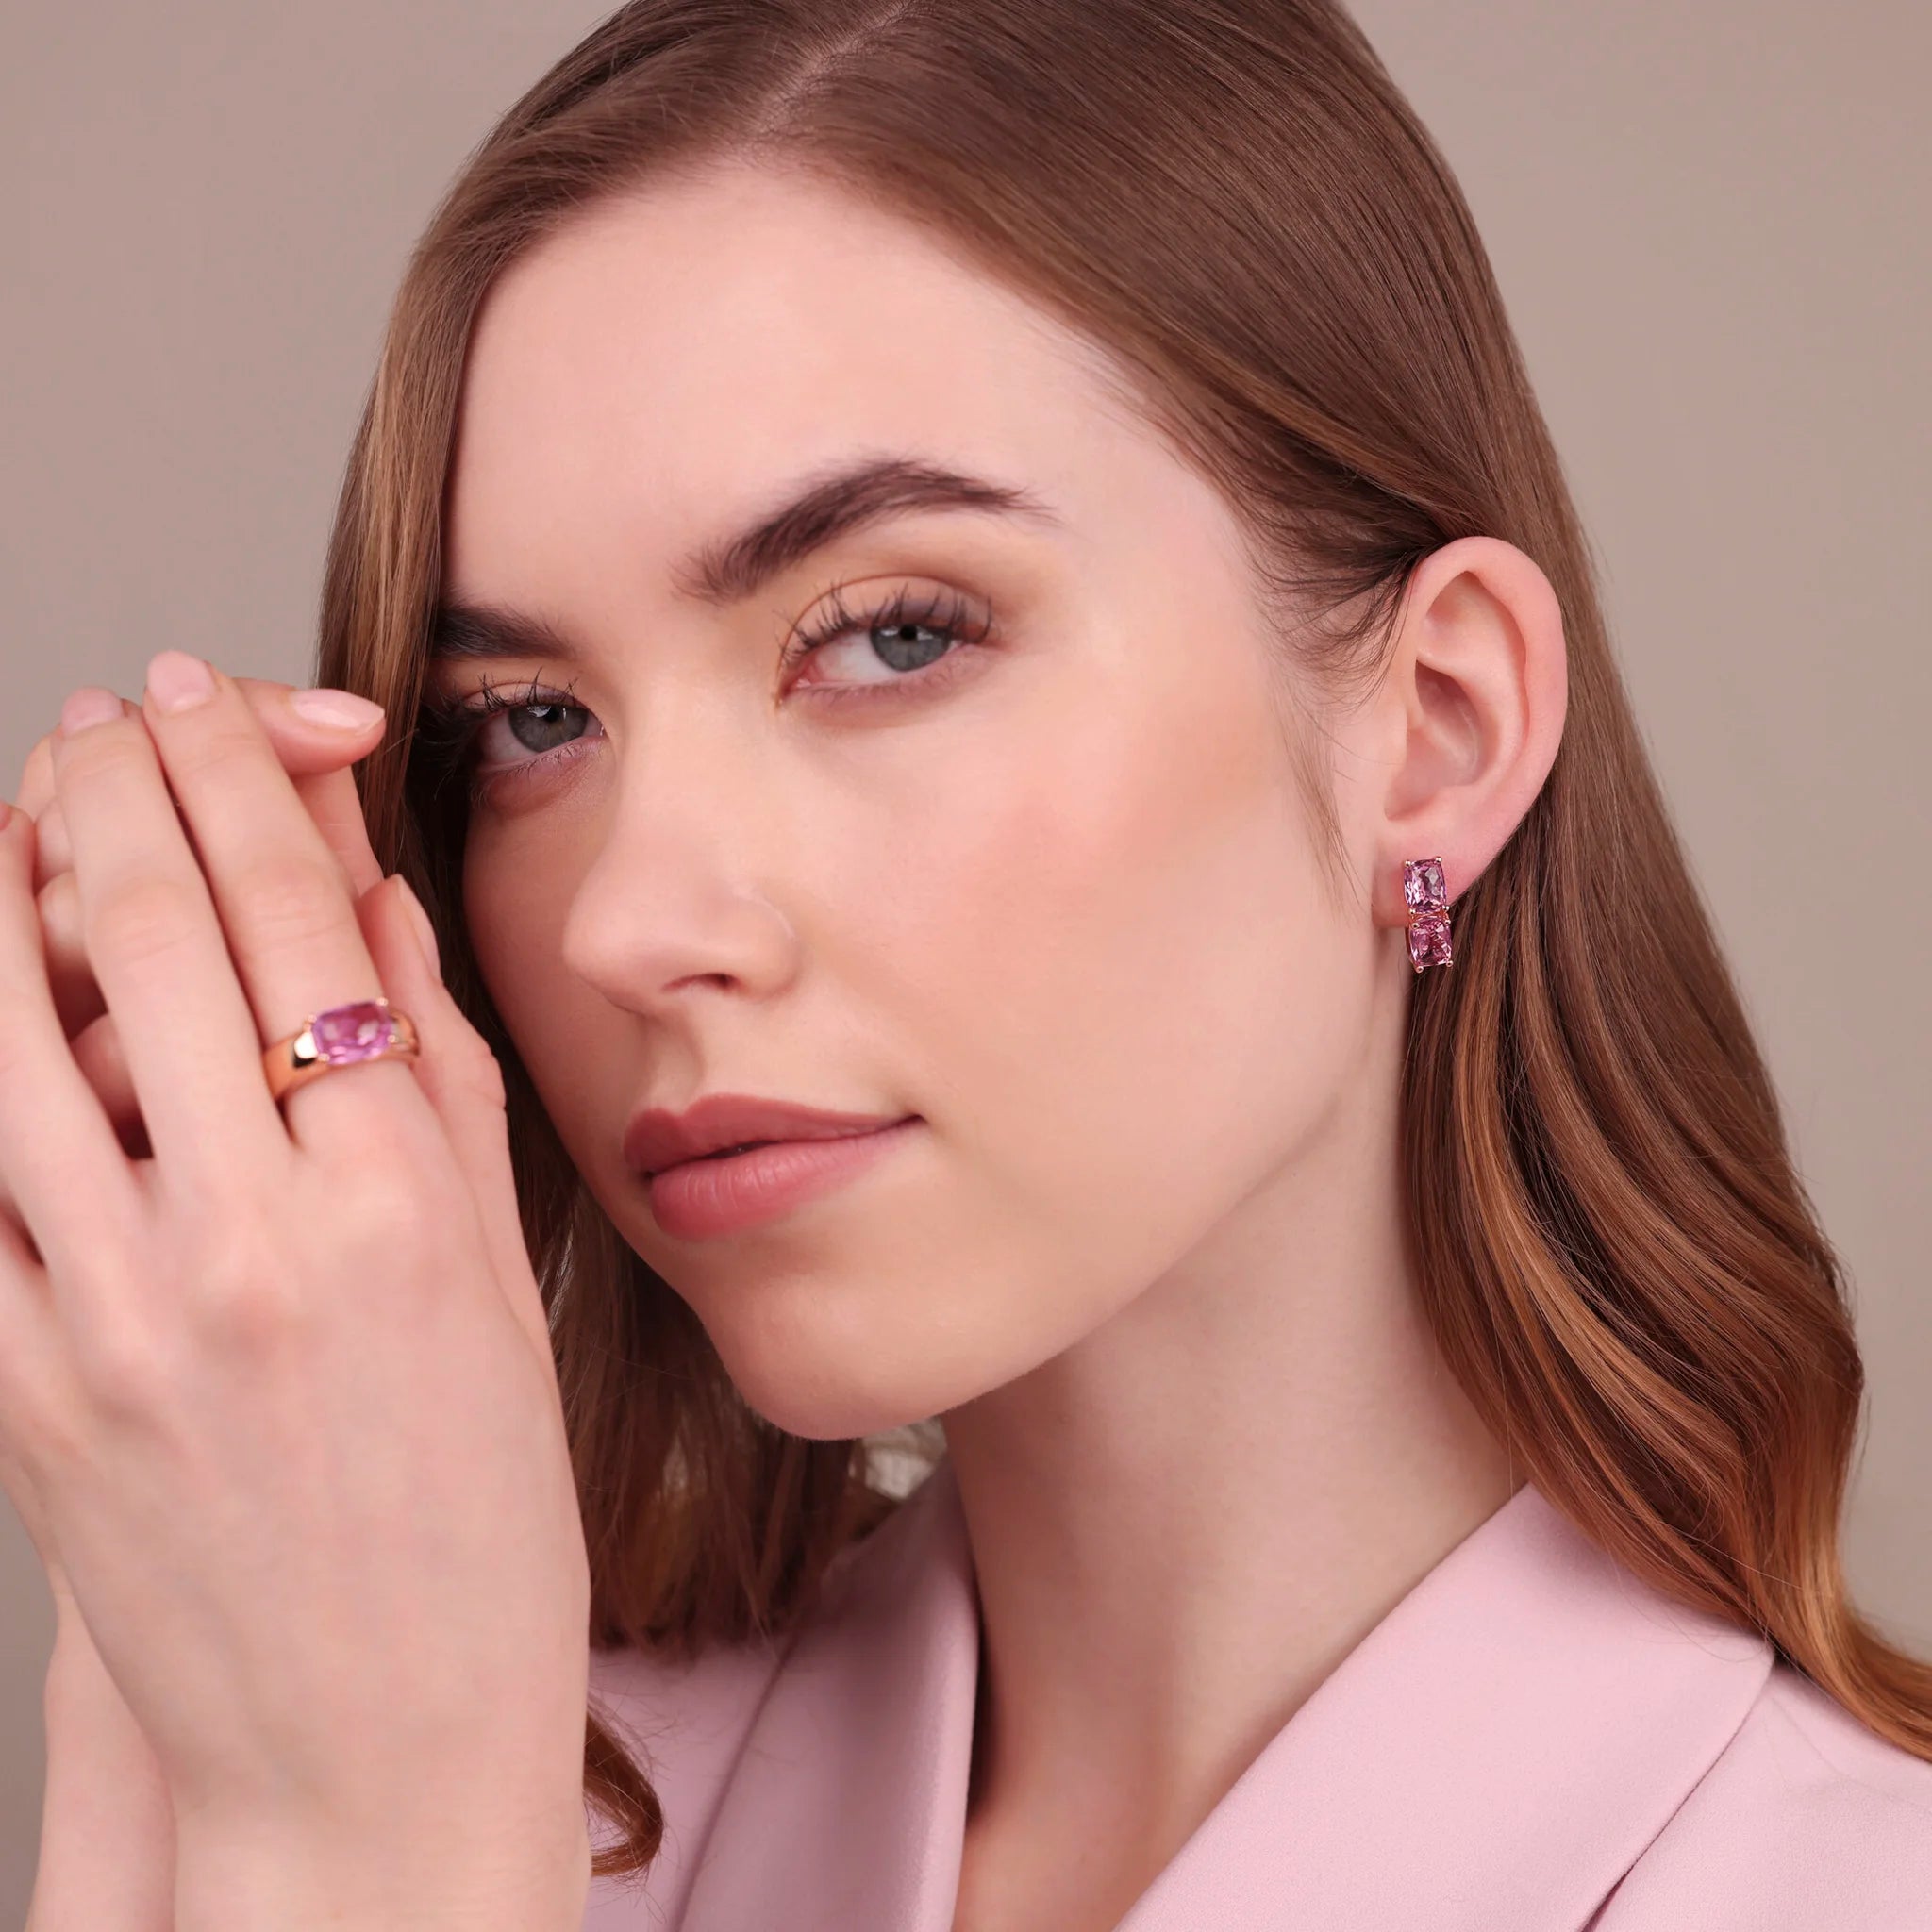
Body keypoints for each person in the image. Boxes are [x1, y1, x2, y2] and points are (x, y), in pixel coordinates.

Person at [11, 1, 1931, 1927]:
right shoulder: (415, 1765)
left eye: (892, 636)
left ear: (1436, 727)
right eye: (529, 721)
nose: (627, 925)